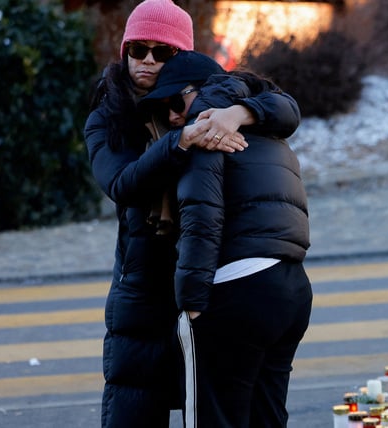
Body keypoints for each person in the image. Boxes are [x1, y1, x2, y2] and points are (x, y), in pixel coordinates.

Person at [83, 1, 301, 426]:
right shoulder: (108, 117)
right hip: (146, 283)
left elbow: (286, 108)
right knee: (135, 408)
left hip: (207, 280)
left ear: (180, 56)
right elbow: (123, 184)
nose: (147, 61)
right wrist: (183, 140)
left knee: (224, 407)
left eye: (161, 52)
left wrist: (239, 113)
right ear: (124, 50)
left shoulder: (202, 97)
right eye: (137, 49)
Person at [140, 51, 311, 428]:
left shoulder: (208, 131)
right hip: (291, 287)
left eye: (175, 101)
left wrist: (191, 305)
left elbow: (201, 217)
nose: (171, 116)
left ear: (198, 92)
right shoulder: (262, 122)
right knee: (266, 417)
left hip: (235, 291)